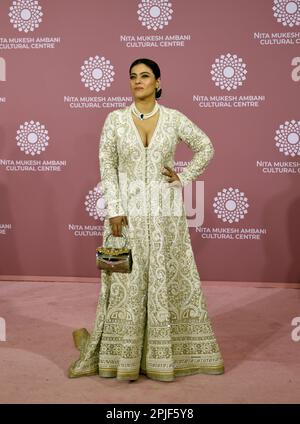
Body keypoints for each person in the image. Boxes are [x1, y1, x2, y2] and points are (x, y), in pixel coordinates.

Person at [68, 58, 224, 381]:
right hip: (126, 216)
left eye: (145, 76)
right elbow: (107, 166)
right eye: (133, 77)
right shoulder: (114, 120)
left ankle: (161, 356)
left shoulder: (174, 119)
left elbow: (206, 147)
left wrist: (184, 177)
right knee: (127, 283)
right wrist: (114, 208)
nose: (138, 81)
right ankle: (121, 356)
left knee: (164, 280)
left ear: (158, 82)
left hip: (166, 215)